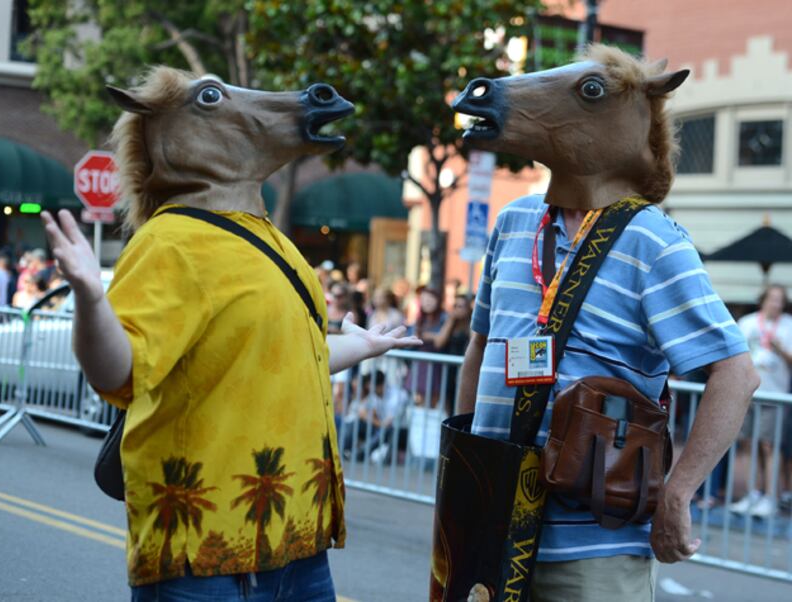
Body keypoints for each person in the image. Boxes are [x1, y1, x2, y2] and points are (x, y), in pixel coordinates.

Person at [40, 67, 420, 600]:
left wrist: (362, 345)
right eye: (211, 98)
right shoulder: (169, 242)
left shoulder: (274, 242)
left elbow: (278, 355)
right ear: (170, 132)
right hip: (205, 559)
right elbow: (118, 370)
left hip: (300, 546)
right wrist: (89, 297)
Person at [452, 46, 758, 601]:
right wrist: (465, 466)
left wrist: (677, 494)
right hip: (491, 528)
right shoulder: (513, 221)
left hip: (595, 548)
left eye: (592, 94)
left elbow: (736, 374)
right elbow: (480, 345)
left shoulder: (655, 241)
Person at [730, 284, 792, 517]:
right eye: (772, 299)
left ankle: (770, 497)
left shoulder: (788, 325)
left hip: (775, 395)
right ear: (763, 300)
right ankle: (752, 494)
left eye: (780, 300)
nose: (776, 304)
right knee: (749, 444)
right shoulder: (747, 322)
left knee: (769, 446)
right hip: (748, 393)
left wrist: (780, 349)